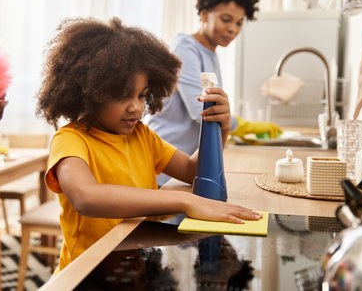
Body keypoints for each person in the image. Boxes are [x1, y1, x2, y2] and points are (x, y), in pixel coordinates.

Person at [35, 17, 262, 275]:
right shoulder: (71, 140)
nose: (137, 107)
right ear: (89, 93)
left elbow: (192, 171)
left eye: (142, 95)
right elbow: (86, 197)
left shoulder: (142, 135)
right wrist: (180, 201)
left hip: (135, 268)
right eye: (122, 96)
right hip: (89, 272)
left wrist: (219, 128)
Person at [147, 0, 283, 186]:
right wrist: (243, 126)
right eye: (226, 19)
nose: (232, 29)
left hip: (185, 167)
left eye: (238, 23)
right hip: (165, 167)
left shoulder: (209, 53)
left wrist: (231, 127)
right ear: (203, 14)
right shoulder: (185, 50)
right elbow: (203, 111)